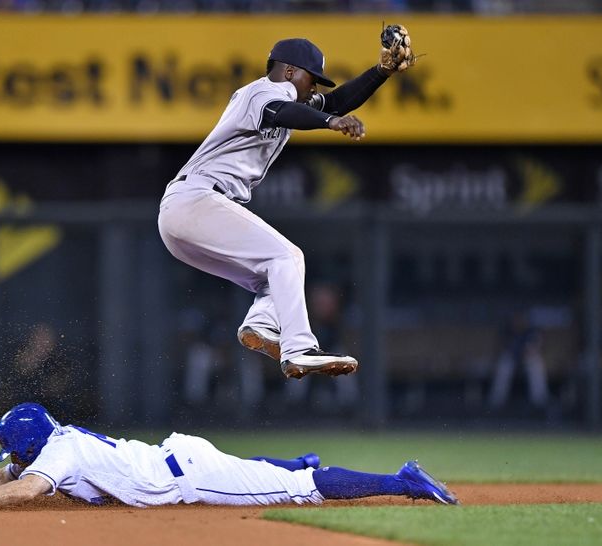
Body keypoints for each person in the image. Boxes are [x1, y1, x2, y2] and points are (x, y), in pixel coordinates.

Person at [157, 29, 416, 379]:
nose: (315, 88)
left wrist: (380, 73)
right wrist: (330, 122)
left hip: (186, 217)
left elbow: (337, 100)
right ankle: (299, 349)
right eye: (313, 79)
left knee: (273, 279)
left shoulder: (288, 96)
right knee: (288, 257)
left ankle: (260, 325)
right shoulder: (263, 91)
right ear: (291, 71)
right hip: (196, 199)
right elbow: (281, 112)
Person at [0, 402, 458, 509]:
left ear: (31, 444)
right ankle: (291, 461)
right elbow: (4, 473)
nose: (12, 460)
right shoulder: (60, 443)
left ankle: (402, 480)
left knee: (303, 490)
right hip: (177, 456)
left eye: (17, 451)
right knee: (267, 473)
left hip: (186, 478)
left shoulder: (56, 458)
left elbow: (27, 487)